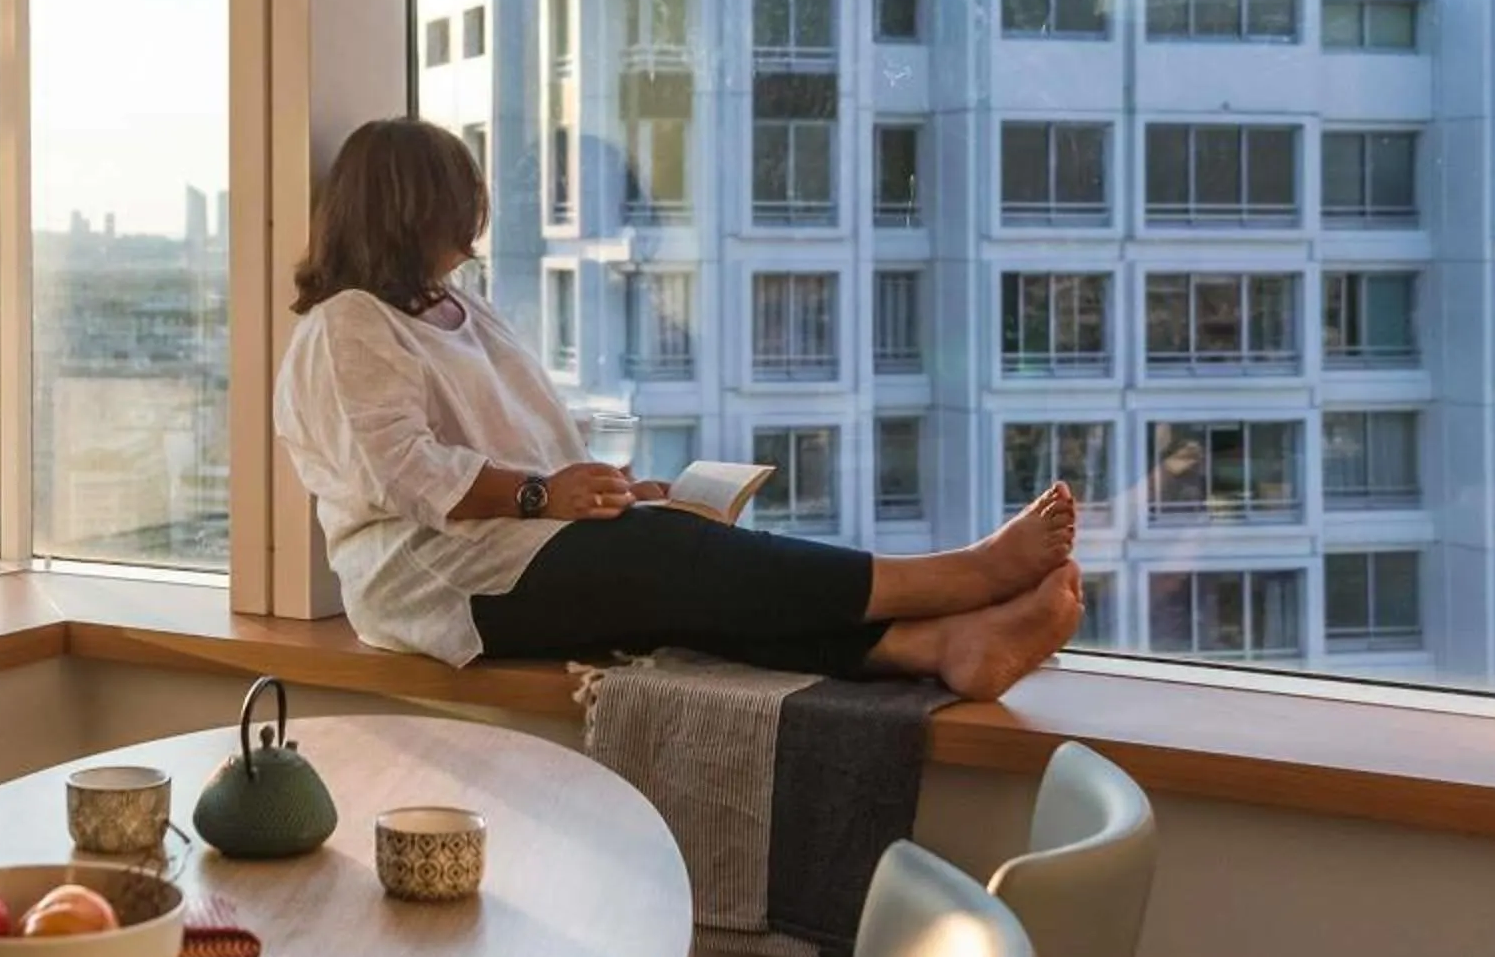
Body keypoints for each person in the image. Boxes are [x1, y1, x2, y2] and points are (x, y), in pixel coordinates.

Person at [273, 117, 1084, 692]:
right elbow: (406, 473)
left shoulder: (458, 307)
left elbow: (529, 446)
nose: (476, 219)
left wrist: (609, 497)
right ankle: (963, 578)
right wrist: (543, 497)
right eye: (461, 201)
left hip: (514, 545)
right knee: (674, 566)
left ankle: (935, 645)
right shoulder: (350, 322)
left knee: (689, 577)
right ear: (413, 209)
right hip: (433, 580)